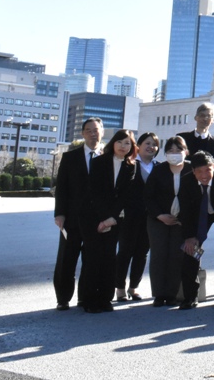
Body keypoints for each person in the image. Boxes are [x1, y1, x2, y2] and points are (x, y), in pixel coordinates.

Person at [84, 129, 138, 313]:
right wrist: (103, 218)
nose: (123, 146)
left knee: (109, 259)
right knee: (93, 259)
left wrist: (111, 219)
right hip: (95, 218)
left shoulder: (131, 165)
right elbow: (93, 192)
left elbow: (125, 196)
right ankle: (90, 300)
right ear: (113, 143)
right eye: (120, 142)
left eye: (128, 143)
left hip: (115, 220)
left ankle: (105, 300)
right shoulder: (98, 162)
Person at [52, 117, 103, 311]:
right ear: (83, 134)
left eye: (96, 130)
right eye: (88, 130)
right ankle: (63, 298)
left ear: (102, 132)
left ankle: (85, 297)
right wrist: (60, 214)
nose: (92, 133)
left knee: (91, 259)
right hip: (72, 218)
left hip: (97, 220)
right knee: (67, 258)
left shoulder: (107, 157)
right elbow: (62, 188)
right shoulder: (70, 157)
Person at [177, 151, 214, 310]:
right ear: (193, 171)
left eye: (208, 170)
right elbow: (186, 212)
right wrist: (189, 237)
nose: (204, 175)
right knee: (191, 252)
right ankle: (190, 297)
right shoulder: (186, 182)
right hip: (199, 216)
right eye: (200, 171)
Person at [144, 136, 193, 307]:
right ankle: (159, 294)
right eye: (170, 151)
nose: (174, 154)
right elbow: (148, 197)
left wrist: (184, 219)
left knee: (176, 256)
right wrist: (160, 215)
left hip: (182, 222)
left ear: (186, 152)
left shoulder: (192, 169)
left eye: (178, 150)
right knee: (158, 256)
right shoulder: (159, 170)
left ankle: (172, 294)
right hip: (158, 220)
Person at [115, 132, 158, 302]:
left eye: (154, 144)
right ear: (138, 146)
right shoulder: (129, 165)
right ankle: (119, 288)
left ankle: (134, 288)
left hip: (150, 218)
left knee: (142, 253)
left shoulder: (159, 167)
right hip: (129, 216)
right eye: (147, 143)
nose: (151, 147)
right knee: (125, 251)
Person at [178, 102, 214, 167]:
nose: (205, 118)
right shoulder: (182, 139)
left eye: (209, 116)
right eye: (202, 115)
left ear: (213, 120)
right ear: (196, 118)